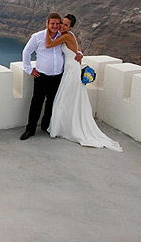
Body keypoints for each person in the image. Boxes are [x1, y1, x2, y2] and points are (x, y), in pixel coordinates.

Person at [45, 14, 123, 152]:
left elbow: (49, 44)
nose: (62, 26)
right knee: (70, 99)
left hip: (71, 72)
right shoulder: (71, 36)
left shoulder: (67, 36)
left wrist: (47, 28)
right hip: (71, 70)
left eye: (66, 25)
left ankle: (67, 128)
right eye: (62, 23)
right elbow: (78, 49)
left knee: (66, 99)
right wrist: (79, 54)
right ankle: (67, 127)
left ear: (71, 27)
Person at [20, 13, 80, 140]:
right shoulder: (38, 37)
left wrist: (79, 53)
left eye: (57, 23)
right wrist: (29, 69)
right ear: (47, 23)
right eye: (52, 23)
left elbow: (73, 46)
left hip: (58, 76)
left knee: (52, 102)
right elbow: (27, 52)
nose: (55, 26)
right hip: (42, 76)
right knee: (37, 102)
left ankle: (46, 126)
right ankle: (30, 129)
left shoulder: (63, 35)